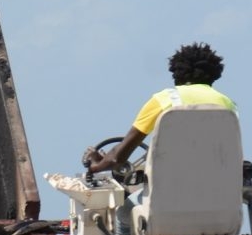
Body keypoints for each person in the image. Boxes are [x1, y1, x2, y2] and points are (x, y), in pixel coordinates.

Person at [83, 42, 237, 174]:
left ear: (176, 73)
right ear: (215, 74)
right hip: (219, 190)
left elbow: (116, 159)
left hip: (170, 191)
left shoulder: (165, 99)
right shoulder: (227, 104)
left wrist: (96, 165)